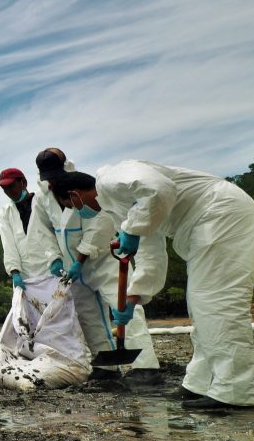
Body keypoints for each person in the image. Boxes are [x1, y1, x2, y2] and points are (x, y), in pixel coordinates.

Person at [52, 163, 254, 410]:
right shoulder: (121, 208)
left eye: (74, 206)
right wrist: (133, 297)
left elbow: (159, 188)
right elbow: (150, 253)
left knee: (217, 303)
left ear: (75, 194)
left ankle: (234, 391)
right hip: (211, 221)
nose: (79, 211)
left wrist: (132, 229)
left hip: (221, 213)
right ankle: (199, 383)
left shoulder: (112, 179)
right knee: (200, 305)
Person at [30, 148, 160, 381]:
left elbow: (99, 223)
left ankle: (146, 367)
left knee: (124, 308)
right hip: (72, 269)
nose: (52, 180)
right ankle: (106, 367)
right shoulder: (41, 196)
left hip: (104, 259)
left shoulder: (85, 185)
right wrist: (54, 258)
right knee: (87, 316)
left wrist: (81, 257)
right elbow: (43, 230)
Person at [0, 167, 43, 289]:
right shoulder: (5, 213)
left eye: (11, 186)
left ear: (23, 183)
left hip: (51, 266)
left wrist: (57, 259)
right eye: (4, 189)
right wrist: (14, 272)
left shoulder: (42, 200)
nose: (8, 191)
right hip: (26, 275)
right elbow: (8, 244)